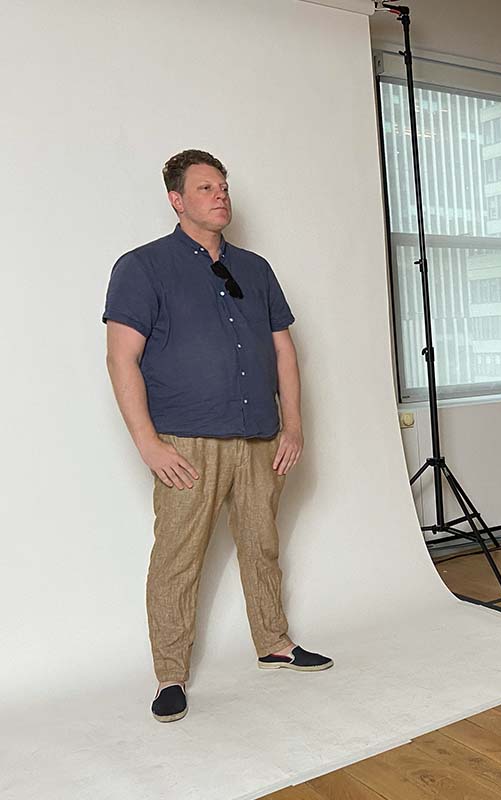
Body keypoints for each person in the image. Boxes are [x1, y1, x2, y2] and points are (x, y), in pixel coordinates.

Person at [104, 150, 331, 724]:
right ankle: (170, 675)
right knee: (179, 558)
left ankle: (275, 643)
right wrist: (148, 444)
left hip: (259, 436)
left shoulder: (255, 270)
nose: (220, 195)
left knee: (262, 544)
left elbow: (284, 349)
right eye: (205, 188)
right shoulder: (142, 267)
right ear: (177, 200)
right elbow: (120, 358)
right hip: (186, 441)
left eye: (224, 186)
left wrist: (294, 425)